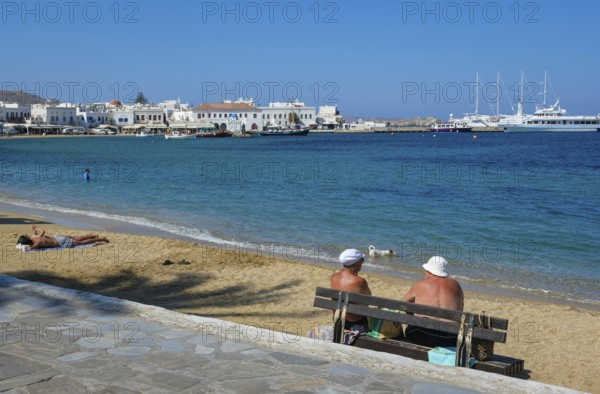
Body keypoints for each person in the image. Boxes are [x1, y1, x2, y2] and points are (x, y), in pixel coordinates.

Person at [402, 256, 464, 347]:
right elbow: (460, 309)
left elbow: (403, 304)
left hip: (423, 335)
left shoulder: (420, 284)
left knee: (411, 328)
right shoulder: (456, 285)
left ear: (429, 271)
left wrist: (412, 315)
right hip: (451, 338)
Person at [330, 248, 372, 333]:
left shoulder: (333, 277)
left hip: (338, 319)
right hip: (356, 322)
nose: (362, 264)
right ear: (356, 264)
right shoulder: (360, 281)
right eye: (361, 262)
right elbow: (369, 299)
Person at [17, 225, 109, 250]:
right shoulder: (34, 236)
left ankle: (101, 239)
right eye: (25, 236)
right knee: (77, 237)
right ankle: (92, 235)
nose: (27, 235)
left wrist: (26, 246)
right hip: (57, 237)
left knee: (81, 243)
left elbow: (30, 248)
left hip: (60, 243)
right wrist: (36, 228)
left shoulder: (35, 243)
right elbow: (43, 232)